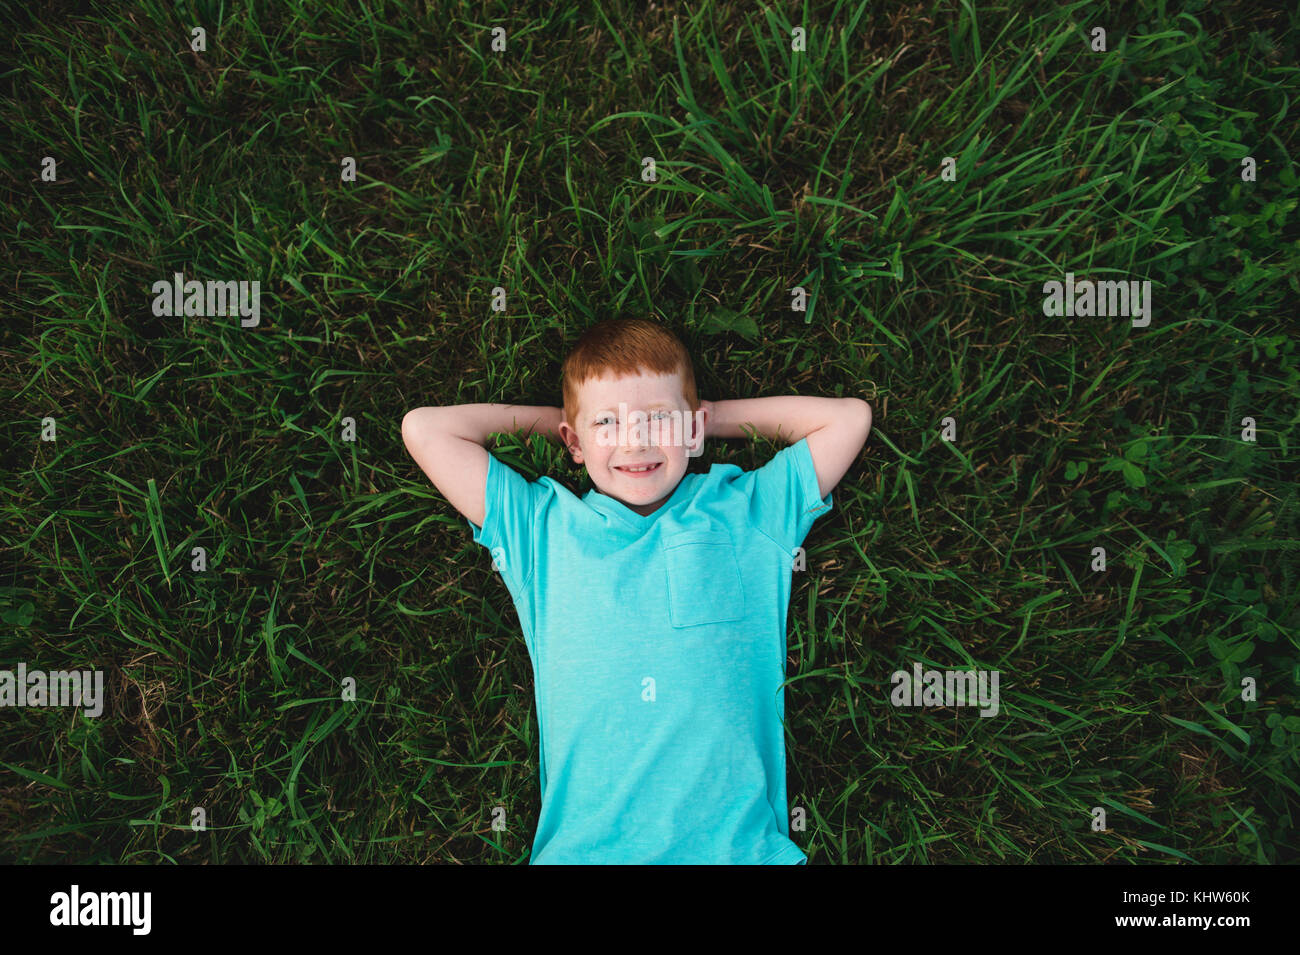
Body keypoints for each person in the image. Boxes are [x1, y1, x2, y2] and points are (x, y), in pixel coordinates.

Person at [401, 318, 872, 863]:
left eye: (657, 419)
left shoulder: (747, 512)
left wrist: (706, 419)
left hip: (738, 851)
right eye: (609, 424)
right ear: (572, 444)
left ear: (692, 430)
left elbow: (846, 419)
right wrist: (566, 422)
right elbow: (425, 429)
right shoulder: (540, 528)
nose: (636, 440)